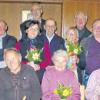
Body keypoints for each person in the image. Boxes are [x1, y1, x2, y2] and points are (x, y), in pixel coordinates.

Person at [81, 19, 100, 86]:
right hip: (88, 78)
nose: (98, 29)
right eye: (96, 27)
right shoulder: (84, 42)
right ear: (92, 29)